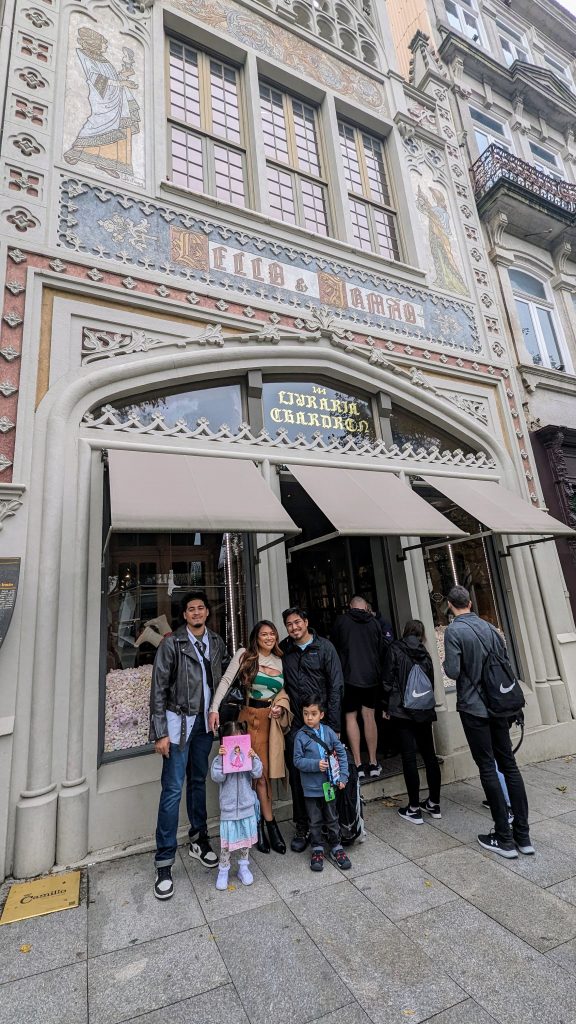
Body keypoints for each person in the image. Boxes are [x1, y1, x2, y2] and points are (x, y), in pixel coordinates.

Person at [150, 591, 230, 900]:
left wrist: (220, 714)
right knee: (172, 788)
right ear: (184, 615)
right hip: (177, 723)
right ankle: (164, 860)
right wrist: (160, 732)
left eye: (201, 608)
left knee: (198, 781)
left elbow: (222, 682)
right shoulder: (172, 643)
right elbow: (158, 689)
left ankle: (199, 839)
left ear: (207, 613)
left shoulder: (217, 642)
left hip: (204, 725)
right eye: (190, 609)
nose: (196, 613)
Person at [443, 584, 534, 858]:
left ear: (450, 605)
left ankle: (504, 838)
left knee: (487, 766)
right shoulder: (490, 627)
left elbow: (453, 670)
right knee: (508, 764)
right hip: (499, 705)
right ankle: (523, 835)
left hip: (474, 708)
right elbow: (504, 662)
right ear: (470, 602)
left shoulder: (453, 631)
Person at [209, 620, 292, 855]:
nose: (269, 637)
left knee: (263, 774)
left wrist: (280, 705)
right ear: (256, 637)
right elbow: (226, 681)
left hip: (269, 723)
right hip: (246, 720)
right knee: (249, 775)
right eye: (264, 634)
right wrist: (214, 709)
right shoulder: (245, 655)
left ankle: (270, 824)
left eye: (272, 634)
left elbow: (283, 691)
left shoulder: (280, 660)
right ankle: (257, 826)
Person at [281, 607, 344, 852]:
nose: (294, 628)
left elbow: (337, 686)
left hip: (323, 724)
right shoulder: (285, 650)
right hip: (297, 725)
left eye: (297, 622)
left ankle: (331, 826)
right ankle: (303, 826)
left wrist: (334, 726)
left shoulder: (325, 648)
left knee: (328, 775)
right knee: (299, 775)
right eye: (289, 624)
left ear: (306, 622)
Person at [382, 620, 442, 824]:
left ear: (404, 631)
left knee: (409, 758)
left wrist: (386, 705)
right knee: (429, 756)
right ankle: (434, 803)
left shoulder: (395, 649)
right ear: (422, 634)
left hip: (403, 711)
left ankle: (414, 807)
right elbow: (431, 682)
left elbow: (387, 680)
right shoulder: (425, 653)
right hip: (423, 709)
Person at [331, 595, 387, 779]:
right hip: (371, 677)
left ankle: (357, 763)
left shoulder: (342, 622)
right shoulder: (374, 623)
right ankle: (373, 761)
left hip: (349, 677)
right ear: (365, 607)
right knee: (370, 717)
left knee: (350, 718)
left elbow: (335, 646)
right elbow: (381, 649)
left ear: (350, 606)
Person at [293, 695, 351, 873]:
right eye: (305, 714)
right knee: (315, 820)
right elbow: (297, 761)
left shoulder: (328, 732)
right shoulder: (300, 736)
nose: (309, 717)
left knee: (332, 817)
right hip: (311, 789)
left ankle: (336, 846)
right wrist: (314, 765)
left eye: (313, 713)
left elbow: (341, 752)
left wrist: (343, 776)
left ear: (321, 714)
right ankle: (317, 848)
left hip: (329, 787)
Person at [210, 722, 263, 890]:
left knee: (245, 842)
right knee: (226, 844)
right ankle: (223, 871)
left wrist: (253, 757)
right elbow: (216, 777)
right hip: (229, 808)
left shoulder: (249, 755)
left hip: (247, 806)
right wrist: (221, 759)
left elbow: (257, 773)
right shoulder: (220, 759)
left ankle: (243, 867)